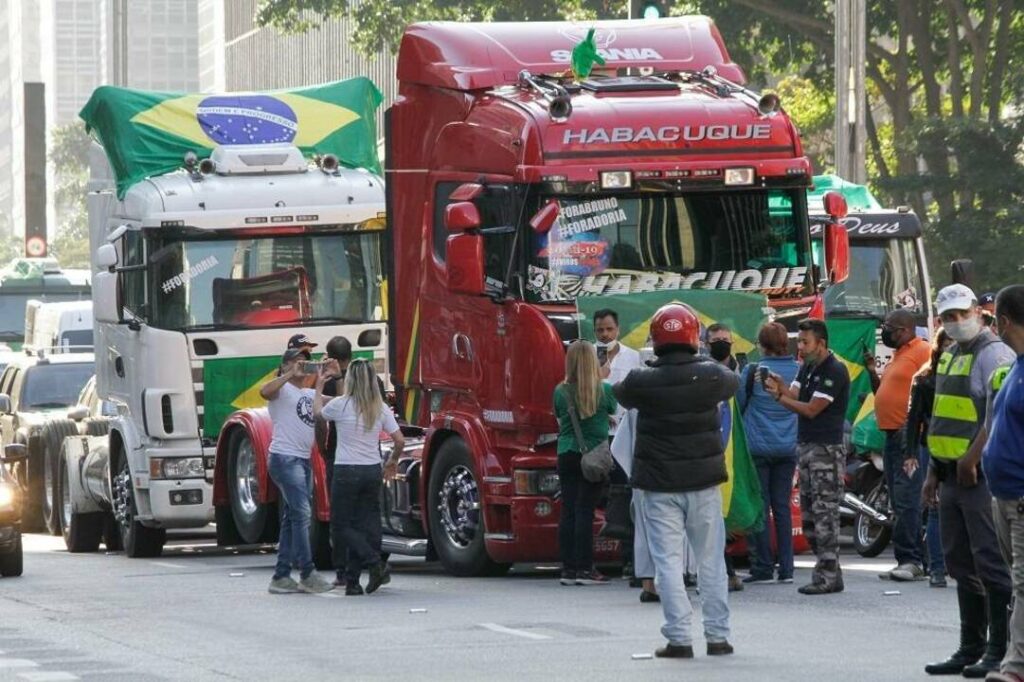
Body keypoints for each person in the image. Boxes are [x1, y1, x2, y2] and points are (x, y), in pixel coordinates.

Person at [614, 303, 739, 659]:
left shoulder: (642, 380)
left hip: (658, 485)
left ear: (655, 339)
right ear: (693, 336)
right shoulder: (712, 376)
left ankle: (679, 638)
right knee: (711, 560)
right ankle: (718, 636)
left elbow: (620, 393)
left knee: (667, 562)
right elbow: (733, 381)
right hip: (703, 483)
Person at [922, 284, 1014, 677]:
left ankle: (998, 650)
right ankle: (970, 646)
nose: (956, 322)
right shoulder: (950, 354)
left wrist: (972, 458)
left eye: (962, 314)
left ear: (978, 311)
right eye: (948, 317)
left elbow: (996, 415)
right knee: (961, 563)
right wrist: (931, 473)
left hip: (976, 476)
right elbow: (942, 416)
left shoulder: (994, 354)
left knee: (990, 563)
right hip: (949, 475)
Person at [765, 319, 850, 595]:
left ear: (821, 344)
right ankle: (829, 574)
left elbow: (812, 409)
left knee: (826, 516)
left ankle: (827, 576)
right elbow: (795, 395)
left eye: (805, 342)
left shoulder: (834, 370)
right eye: (798, 341)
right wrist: (780, 387)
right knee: (810, 518)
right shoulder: (808, 367)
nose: (799, 348)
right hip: (806, 447)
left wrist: (780, 399)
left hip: (826, 449)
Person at [314, 359, 404, 596]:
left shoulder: (341, 405)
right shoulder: (380, 407)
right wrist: (392, 462)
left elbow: (316, 414)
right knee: (363, 525)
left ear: (351, 380)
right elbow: (400, 440)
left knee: (341, 525)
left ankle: (374, 563)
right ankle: (353, 582)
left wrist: (319, 386)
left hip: (346, 470)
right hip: (372, 470)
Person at [259, 348, 334, 594]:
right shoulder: (282, 391)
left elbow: (337, 405)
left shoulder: (309, 392)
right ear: (286, 365)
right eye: (299, 362)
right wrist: (289, 372)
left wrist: (335, 374)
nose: (305, 366)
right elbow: (264, 392)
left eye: (307, 362)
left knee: (293, 518)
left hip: (302, 460)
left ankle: (281, 576)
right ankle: (307, 571)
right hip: (285, 458)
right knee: (302, 514)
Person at [866, 310, 932, 582]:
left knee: (907, 500)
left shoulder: (922, 351)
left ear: (905, 329)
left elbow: (930, 388)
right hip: (892, 435)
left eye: (889, 328)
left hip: (909, 435)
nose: (885, 332)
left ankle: (912, 560)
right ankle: (908, 558)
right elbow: (886, 390)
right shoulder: (899, 355)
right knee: (898, 499)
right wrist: (872, 372)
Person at [981, 285, 1024, 682]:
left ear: (1004, 321)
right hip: (1004, 493)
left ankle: (1015, 668)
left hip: (1021, 496)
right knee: (1018, 582)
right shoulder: (1015, 366)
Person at [737, 322, 800, 585]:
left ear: (761, 345)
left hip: (758, 448)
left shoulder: (752, 371)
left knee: (759, 507)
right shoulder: (799, 371)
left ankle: (762, 566)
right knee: (782, 507)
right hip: (788, 448)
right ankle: (786, 567)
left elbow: (739, 405)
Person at [553, 340, 617, 586]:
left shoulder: (560, 391)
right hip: (593, 456)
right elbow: (610, 409)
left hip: (566, 452)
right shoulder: (604, 390)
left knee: (568, 510)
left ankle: (568, 569)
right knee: (585, 511)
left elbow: (560, 418)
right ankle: (585, 568)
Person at [904, 329, 953, 588]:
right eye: (947, 343)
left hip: (966, 451)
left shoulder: (968, 374)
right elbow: (913, 419)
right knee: (935, 509)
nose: (951, 347)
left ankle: (961, 567)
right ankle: (936, 568)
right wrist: (910, 453)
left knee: (963, 510)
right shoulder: (924, 379)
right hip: (932, 449)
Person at [705, 323, 744, 593]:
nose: (721, 343)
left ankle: (727, 571)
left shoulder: (744, 372)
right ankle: (724, 572)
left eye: (725, 340)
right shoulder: (701, 373)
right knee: (711, 517)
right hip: (708, 453)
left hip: (734, 450)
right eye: (716, 340)